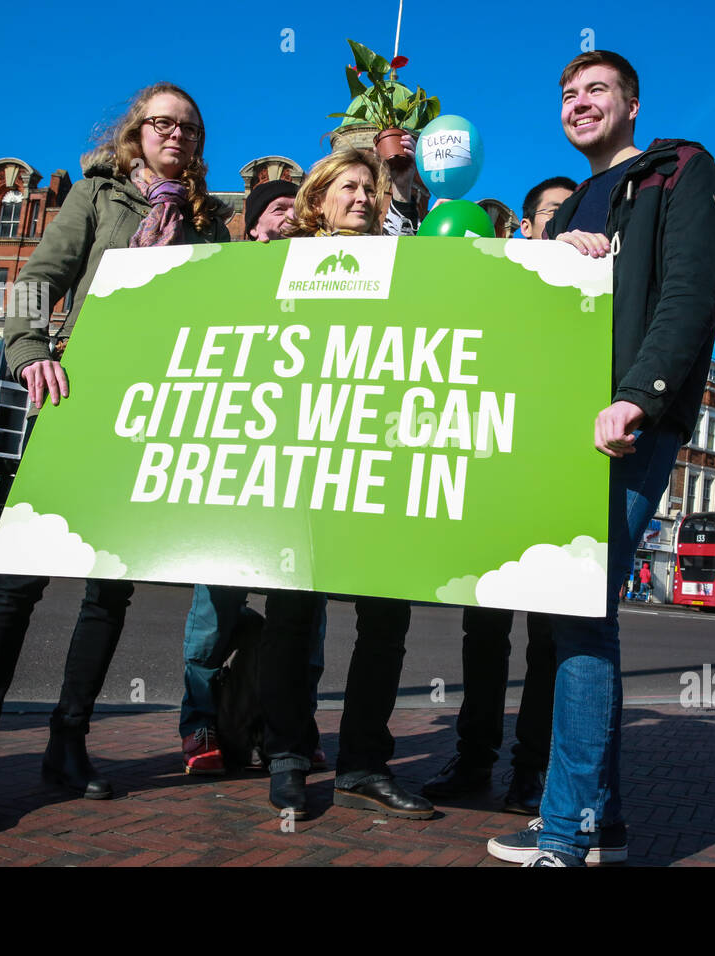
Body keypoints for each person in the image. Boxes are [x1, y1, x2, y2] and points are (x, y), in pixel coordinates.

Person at [0, 82, 232, 830]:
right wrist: (32, 350)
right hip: (78, 401)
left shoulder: (209, 225)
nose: (177, 136)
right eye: (163, 124)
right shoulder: (99, 199)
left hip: (156, 416)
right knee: (18, 584)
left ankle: (68, 742)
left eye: (189, 128)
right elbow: (37, 283)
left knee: (110, 592)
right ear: (136, 133)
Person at [487, 50, 715, 866]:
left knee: (581, 613)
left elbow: (690, 292)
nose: (578, 103)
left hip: (626, 424)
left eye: (596, 90)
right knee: (577, 615)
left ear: (632, 103)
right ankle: (600, 819)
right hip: (561, 425)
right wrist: (561, 255)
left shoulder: (681, 169)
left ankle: (565, 833)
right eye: (566, 94)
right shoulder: (573, 203)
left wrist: (641, 394)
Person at [260, 146, 434, 821]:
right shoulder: (279, 261)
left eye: (371, 188)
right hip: (300, 452)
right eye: (348, 188)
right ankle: (289, 755)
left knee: (386, 617)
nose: (362, 197)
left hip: (378, 455)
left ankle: (364, 761)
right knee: (291, 613)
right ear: (318, 200)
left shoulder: (406, 266)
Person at [420, 176, 576, 816]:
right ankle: (475, 755)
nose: (561, 223)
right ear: (526, 228)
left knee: (547, 644)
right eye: (550, 214)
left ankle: (531, 770)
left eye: (573, 213)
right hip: (489, 482)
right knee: (483, 633)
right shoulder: (497, 284)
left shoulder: (584, 292)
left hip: (550, 483)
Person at [177, 179, 335, 776]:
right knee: (213, 610)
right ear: (249, 223)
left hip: (305, 472)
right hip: (235, 468)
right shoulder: (222, 272)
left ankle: (288, 727)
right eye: (278, 208)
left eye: (302, 211)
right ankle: (203, 726)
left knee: (307, 622)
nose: (292, 217)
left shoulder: (330, 281)